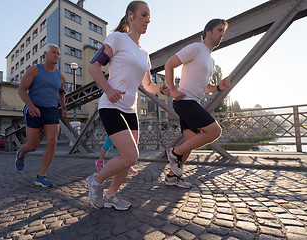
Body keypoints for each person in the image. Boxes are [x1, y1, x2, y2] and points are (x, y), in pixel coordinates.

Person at [86, 0, 170, 210]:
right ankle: (95, 181)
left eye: (149, 17)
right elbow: (93, 66)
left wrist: (162, 89)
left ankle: (112, 195)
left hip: (130, 110)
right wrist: (109, 89)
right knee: (131, 154)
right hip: (111, 105)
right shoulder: (117, 39)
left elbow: (148, 85)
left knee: (129, 158)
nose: (147, 20)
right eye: (143, 15)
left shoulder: (144, 54)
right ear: (130, 15)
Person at [164, 19, 230, 188]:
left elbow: (204, 86)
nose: (222, 34)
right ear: (208, 31)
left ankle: (172, 177)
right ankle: (174, 153)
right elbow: (169, 64)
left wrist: (217, 87)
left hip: (193, 101)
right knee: (215, 131)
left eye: (223, 31)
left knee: (190, 141)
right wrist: (172, 89)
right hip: (185, 101)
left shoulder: (210, 60)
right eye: (219, 30)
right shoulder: (195, 48)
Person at [15, 43, 68, 187]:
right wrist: (30, 106)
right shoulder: (35, 70)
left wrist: (63, 107)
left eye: (58, 53)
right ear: (46, 54)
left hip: (51, 111)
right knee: (32, 145)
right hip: (34, 109)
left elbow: (61, 92)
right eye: (53, 53)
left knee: (52, 141)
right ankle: (21, 153)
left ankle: (41, 175)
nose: (56, 55)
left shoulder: (60, 76)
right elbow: (21, 90)